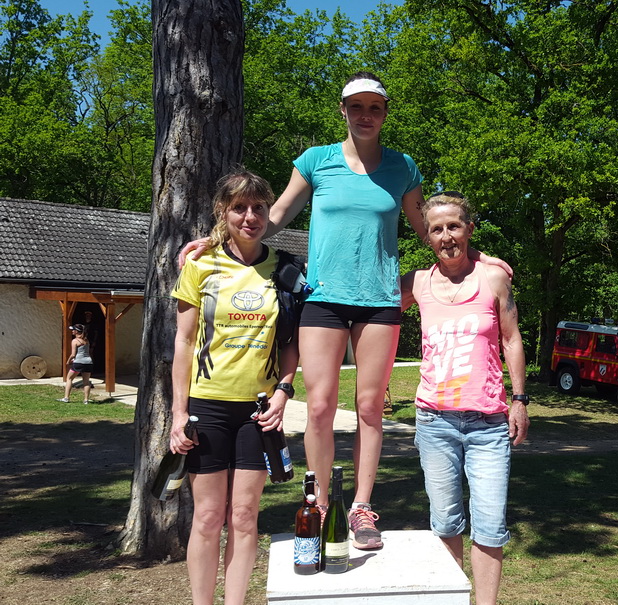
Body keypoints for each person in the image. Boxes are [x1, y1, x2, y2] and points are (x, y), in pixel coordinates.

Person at [179, 72, 510, 551]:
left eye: (374, 107)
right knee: (318, 406)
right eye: (357, 107)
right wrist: (214, 243)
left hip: (379, 302)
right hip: (324, 299)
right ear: (343, 111)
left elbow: (433, 233)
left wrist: (479, 259)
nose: (365, 115)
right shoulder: (317, 161)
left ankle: (360, 508)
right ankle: (316, 501)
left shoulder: (402, 168)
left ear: (384, 114)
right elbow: (271, 219)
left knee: (371, 406)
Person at [170, 170, 299, 605]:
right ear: (222, 213)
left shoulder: (285, 268)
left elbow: (291, 344)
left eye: (259, 207)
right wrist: (177, 415)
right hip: (207, 407)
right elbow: (184, 343)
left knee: (244, 516)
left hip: (257, 412)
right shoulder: (200, 264)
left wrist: (284, 391)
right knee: (207, 517)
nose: (250, 216)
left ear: (268, 212)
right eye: (239, 208)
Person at [401, 191, 530, 605]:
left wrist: (520, 399)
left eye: (454, 226)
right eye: (436, 229)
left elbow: (511, 340)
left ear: (469, 229)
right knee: (446, 523)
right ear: (428, 238)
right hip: (434, 421)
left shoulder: (493, 278)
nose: (446, 236)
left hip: (488, 424)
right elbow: (369, 309)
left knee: (490, 526)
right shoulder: (417, 283)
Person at [57, 324, 94, 404]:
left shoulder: (75, 341)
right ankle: (86, 400)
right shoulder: (86, 340)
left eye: (73, 330)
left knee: (69, 378)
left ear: (77, 331)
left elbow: (73, 354)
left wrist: (68, 361)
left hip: (78, 362)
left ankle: (66, 398)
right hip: (88, 362)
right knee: (86, 382)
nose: (72, 331)